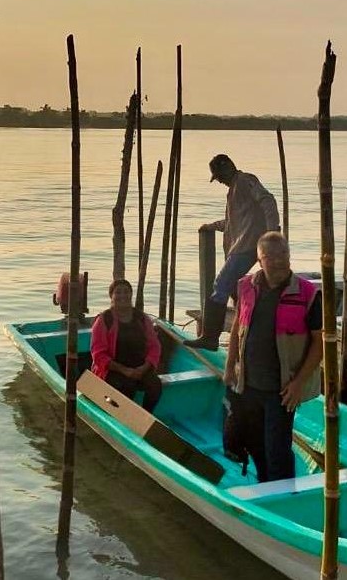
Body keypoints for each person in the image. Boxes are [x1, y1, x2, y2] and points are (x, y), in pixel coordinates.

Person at [222, 232, 322, 483]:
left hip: (282, 388)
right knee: (253, 443)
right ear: (259, 259)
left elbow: (320, 343)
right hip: (248, 383)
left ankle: (284, 497)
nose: (279, 261)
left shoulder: (307, 293)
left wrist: (298, 383)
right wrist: (229, 366)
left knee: (277, 449)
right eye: (272, 256)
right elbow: (237, 327)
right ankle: (265, 485)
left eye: (284, 254)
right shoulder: (246, 286)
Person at [186, 153, 281, 350]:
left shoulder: (246, 181)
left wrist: (273, 232)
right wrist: (212, 226)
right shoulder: (233, 191)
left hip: (247, 245)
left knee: (221, 284)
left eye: (219, 175)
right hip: (240, 245)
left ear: (228, 167)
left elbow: (268, 201)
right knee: (233, 288)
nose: (219, 180)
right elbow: (232, 223)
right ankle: (246, 327)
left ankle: (210, 337)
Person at [90, 279, 163, 412]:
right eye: (118, 292)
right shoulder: (104, 320)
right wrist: (125, 371)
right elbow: (98, 355)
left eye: (126, 292)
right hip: (113, 369)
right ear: (111, 296)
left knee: (155, 386)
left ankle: (147, 415)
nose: (122, 296)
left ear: (131, 294)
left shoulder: (142, 318)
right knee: (126, 386)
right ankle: (122, 418)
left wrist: (144, 368)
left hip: (139, 367)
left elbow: (154, 346)